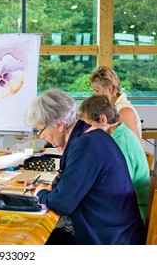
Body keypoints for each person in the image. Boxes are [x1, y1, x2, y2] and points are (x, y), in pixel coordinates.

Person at [24, 89, 145, 245]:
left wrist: (41, 193)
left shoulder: (87, 145)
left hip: (109, 241)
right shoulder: (86, 137)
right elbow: (68, 188)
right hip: (108, 231)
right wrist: (52, 190)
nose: (42, 137)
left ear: (59, 125)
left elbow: (62, 204)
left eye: (41, 130)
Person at [78, 95, 150, 223]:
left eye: (89, 125)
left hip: (133, 216)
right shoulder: (118, 135)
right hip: (126, 207)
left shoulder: (123, 144)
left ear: (103, 119)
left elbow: (116, 187)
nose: (86, 131)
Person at [89, 66, 143, 146]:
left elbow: (137, 147)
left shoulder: (125, 112)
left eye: (97, 90)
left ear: (110, 89)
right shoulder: (111, 108)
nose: (94, 94)